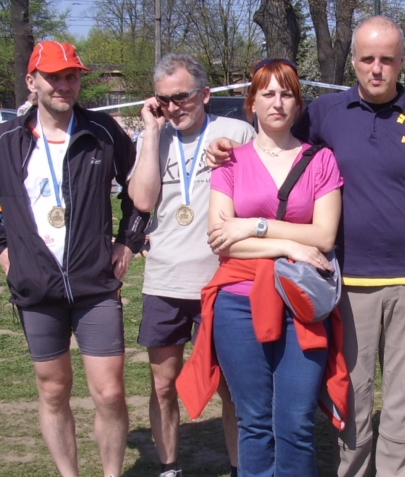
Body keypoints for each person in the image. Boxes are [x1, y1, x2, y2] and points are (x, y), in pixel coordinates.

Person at [207, 15, 405, 477]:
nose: (377, 68)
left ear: (401, 62)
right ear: (354, 62)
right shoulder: (324, 113)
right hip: (348, 284)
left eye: (387, 59)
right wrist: (226, 143)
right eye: (367, 58)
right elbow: (274, 130)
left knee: (404, 407)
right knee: (351, 401)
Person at [0, 41, 149, 477]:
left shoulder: (103, 131)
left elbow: (142, 189)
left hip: (94, 284)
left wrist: (128, 241)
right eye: (53, 77)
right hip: (36, 286)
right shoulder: (7, 140)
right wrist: (5, 250)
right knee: (53, 391)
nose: (64, 85)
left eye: (71, 76)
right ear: (32, 82)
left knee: (110, 393)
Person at [206, 58, 343, 476]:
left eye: (287, 94)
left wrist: (254, 226)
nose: (277, 102)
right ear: (252, 103)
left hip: (301, 303)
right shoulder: (230, 162)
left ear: (298, 105)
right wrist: (288, 245)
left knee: (296, 422)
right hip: (238, 305)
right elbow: (221, 240)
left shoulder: (320, 160)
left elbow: (324, 236)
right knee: (254, 422)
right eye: (267, 93)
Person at [127, 53, 255, 477]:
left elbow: (258, 191)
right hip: (165, 280)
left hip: (222, 281)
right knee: (164, 384)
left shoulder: (236, 132)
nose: (173, 107)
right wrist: (150, 133)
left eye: (181, 97)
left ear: (204, 94)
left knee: (230, 386)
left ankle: (239, 467)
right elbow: (142, 200)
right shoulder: (153, 138)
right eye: (164, 100)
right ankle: (169, 468)